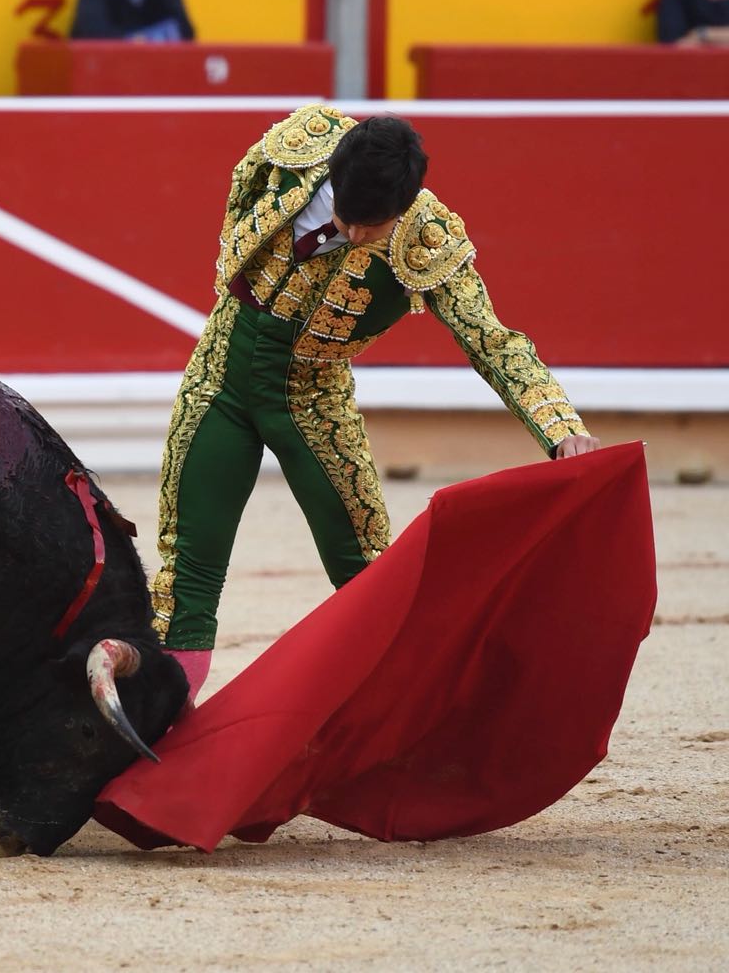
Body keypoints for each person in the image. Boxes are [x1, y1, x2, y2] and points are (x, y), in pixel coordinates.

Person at [153, 104, 601, 700]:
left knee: (367, 574)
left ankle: (410, 722)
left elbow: (491, 340)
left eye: (375, 227)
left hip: (312, 401)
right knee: (186, 575)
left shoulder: (429, 238)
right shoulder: (299, 146)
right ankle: (159, 725)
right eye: (348, 218)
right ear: (333, 178)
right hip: (221, 376)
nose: (356, 235)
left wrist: (559, 425)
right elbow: (243, 187)